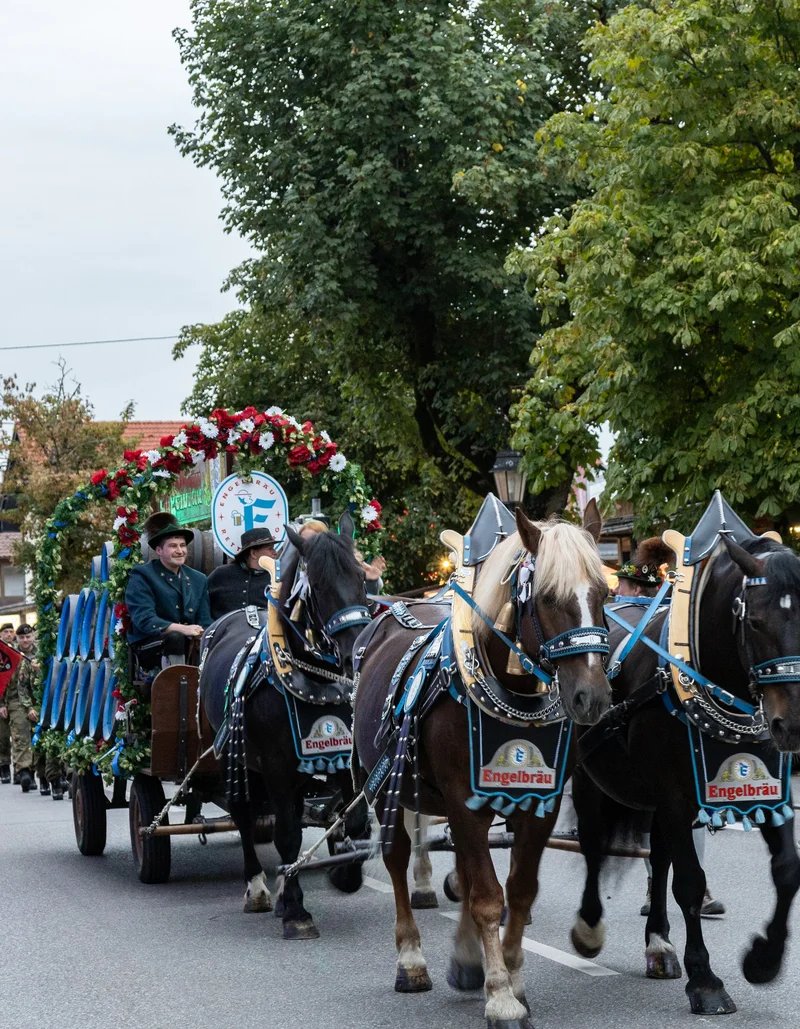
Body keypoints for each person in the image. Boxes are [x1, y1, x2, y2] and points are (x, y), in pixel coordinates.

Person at [615, 539, 726, 918]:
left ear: (633, 588)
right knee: (680, 807)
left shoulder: (636, 616)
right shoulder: (678, 615)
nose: (617, 591)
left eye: (622, 586)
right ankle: (672, 880)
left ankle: (681, 879)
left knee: (679, 806)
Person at [125, 512, 212, 671]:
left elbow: (205, 620)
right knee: (175, 637)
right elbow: (145, 619)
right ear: (159, 550)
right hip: (151, 644)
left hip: (189, 643)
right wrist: (183, 629)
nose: (180, 551)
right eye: (173, 546)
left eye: (183, 545)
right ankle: (177, 685)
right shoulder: (143, 575)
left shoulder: (198, 579)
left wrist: (203, 633)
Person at [207, 528, 279, 620]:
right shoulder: (221, 575)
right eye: (270, 548)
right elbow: (201, 605)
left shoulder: (277, 577)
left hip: (266, 631)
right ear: (254, 553)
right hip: (226, 631)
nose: (275, 552)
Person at [1, 627, 37, 792]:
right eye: (22, 637)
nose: (25, 640)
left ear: (33, 637)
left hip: (38, 700)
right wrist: (2, 704)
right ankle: (23, 771)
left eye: (28, 637)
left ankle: (37, 771)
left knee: (37, 737)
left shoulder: (41, 653)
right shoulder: (11, 654)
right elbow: (2, 679)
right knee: (20, 735)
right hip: (15, 701)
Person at [0, 623, 14, 783]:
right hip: (2, 701)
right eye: (6, 632)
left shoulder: (16, 651)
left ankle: (19, 769)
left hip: (16, 699)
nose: (9, 634)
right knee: (3, 737)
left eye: (11, 632)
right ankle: (4, 765)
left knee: (18, 737)